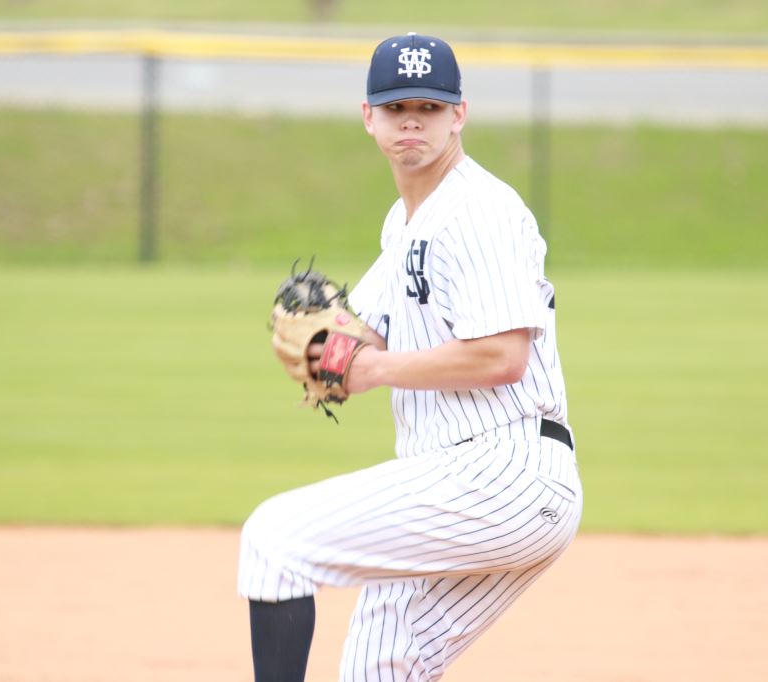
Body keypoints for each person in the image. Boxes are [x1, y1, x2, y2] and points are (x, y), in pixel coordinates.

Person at [238, 32, 582, 682]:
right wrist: (325, 349)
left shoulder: (479, 211)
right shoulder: (405, 225)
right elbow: (362, 336)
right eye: (398, 109)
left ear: (460, 114)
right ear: (369, 117)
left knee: (274, 541)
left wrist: (369, 369)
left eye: (429, 108)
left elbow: (503, 356)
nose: (412, 123)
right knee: (380, 668)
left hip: (502, 470)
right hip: (472, 481)